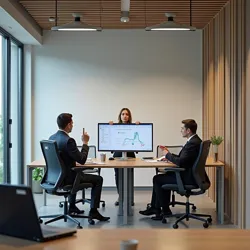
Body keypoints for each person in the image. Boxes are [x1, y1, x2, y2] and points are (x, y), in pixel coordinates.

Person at [49, 113, 110, 221]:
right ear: (68, 125)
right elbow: (82, 160)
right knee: (98, 179)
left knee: (75, 173)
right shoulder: (68, 140)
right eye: (72, 123)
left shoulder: (52, 138)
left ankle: (72, 206)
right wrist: (85, 143)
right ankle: (94, 211)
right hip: (68, 178)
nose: (72, 125)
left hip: (56, 178)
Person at [139, 119, 202, 220]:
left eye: (182, 128)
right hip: (190, 175)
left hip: (187, 178)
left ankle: (163, 210)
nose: (181, 130)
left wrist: (167, 155)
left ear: (188, 130)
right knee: (161, 178)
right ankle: (156, 208)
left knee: (157, 179)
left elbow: (181, 162)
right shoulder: (195, 141)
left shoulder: (192, 143)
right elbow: (184, 158)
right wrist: (169, 155)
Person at [109, 108, 139, 206]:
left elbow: (137, 140)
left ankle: (130, 198)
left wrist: (139, 127)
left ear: (129, 116)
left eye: (127, 114)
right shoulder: (115, 127)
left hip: (130, 155)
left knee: (129, 177)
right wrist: (110, 128)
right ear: (120, 116)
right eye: (123, 114)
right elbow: (110, 140)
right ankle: (120, 196)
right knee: (118, 177)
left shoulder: (134, 127)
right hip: (118, 155)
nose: (125, 116)